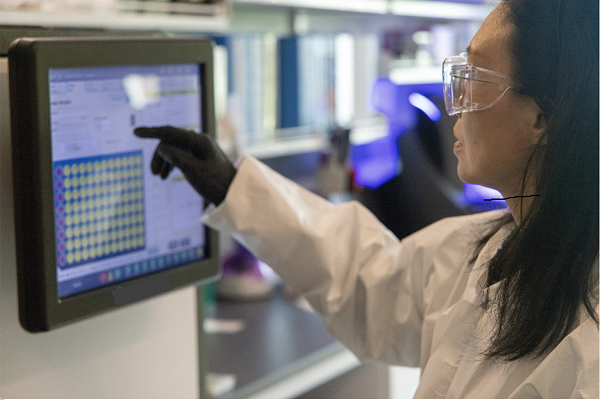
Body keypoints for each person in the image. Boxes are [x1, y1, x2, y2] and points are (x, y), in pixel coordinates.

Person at [134, 0, 599, 397]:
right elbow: (370, 282)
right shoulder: (485, 249)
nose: (452, 101)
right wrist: (232, 186)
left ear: (541, 117)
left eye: (473, 77)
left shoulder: (589, 334)